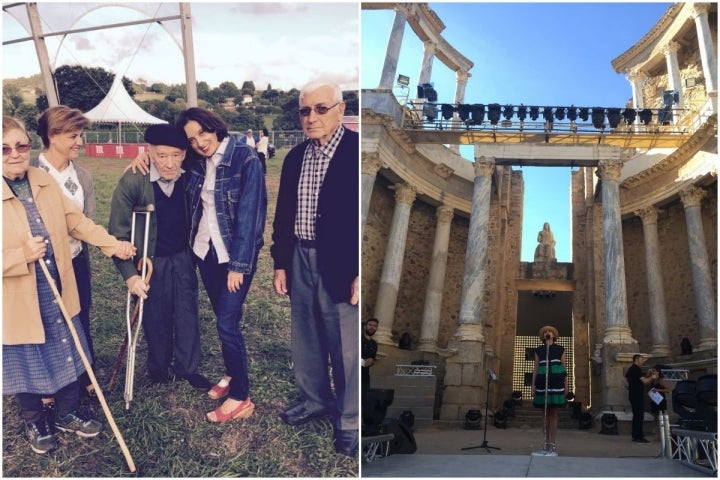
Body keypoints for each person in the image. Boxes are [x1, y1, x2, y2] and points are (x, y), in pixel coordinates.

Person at [2, 116, 135, 454]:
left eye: (21, 145)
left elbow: (75, 221)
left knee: (65, 344)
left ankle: (67, 411)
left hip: (58, 285)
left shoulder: (42, 180)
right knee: (26, 353)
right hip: (16, 295)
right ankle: (34, 417)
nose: (14, 154)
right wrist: (20, 255)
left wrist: (111, 245)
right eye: (4, 148)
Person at [271, 79, 359, 456]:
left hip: (340, 261)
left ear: (341, 110)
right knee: (305, 337)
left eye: (321, 108)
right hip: (299, 257)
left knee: (345, 345)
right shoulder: (295, 157)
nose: (312, 117)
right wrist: (280, 262)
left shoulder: (356, 153)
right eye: (305, 110)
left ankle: (351, 419)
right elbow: (283, 215)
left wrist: (359, 269)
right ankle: (315, 400)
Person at [177, 108, 267, 423]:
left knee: (227, 324)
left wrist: (239, 267)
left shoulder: (245, 159)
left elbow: (251, 218)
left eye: (203, 133)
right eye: (192, 139)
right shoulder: (196, 161)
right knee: (222, 317)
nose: (199, 142)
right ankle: (231, 372)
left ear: (215, 127)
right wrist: (144, 160)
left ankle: (241, 396)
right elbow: (167, 160)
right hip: (206, 252)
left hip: (234, 257)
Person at [108, 124, 211, 390]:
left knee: (187, 311)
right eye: (162, 155)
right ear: (150, 152)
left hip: (182, 257)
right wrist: (130, 274)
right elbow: (117, 234)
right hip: (151, 261)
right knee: (155, 313)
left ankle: (188, 368)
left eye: (175, 155)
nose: (169, 163)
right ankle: (158, 367)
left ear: (184, 155)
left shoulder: (190, 176)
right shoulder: (133, 179)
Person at [32, 106, 98, 403]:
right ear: (53, 135)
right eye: (74, 136)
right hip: (39, 264)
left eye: (80, 135)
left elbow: (89, 222)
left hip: (75, 260)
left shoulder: (82, 176)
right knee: (45, 320)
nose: (79, 142)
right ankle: (48, 382)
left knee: (79, 314)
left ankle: (85, 372)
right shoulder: (28, 170)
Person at [531, 325, 567, 455]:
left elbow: (564, 368)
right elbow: (535, 368)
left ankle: (553, 444)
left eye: (550, 331)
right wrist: (532, 385)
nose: (548, 333)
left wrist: (566, 385)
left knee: (553, 413)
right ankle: (545, 443)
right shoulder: (539, 350)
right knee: (544, 414)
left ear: (554, 335)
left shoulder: (560, 349)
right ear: (543, 336)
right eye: (545, 332)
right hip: (542, 382)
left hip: (556, 382)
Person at [625, 353, 653, 443]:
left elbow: (625, 381)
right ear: (637, 359)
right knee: (639, 416)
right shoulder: (636, 369)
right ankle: (638, 436)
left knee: (636, 415)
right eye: (641, 360)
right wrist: (652, 377)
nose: (642, 362)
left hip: (633, 394)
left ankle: (636, 435)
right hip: (637, 395)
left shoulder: (631, 369)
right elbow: (645, 381)